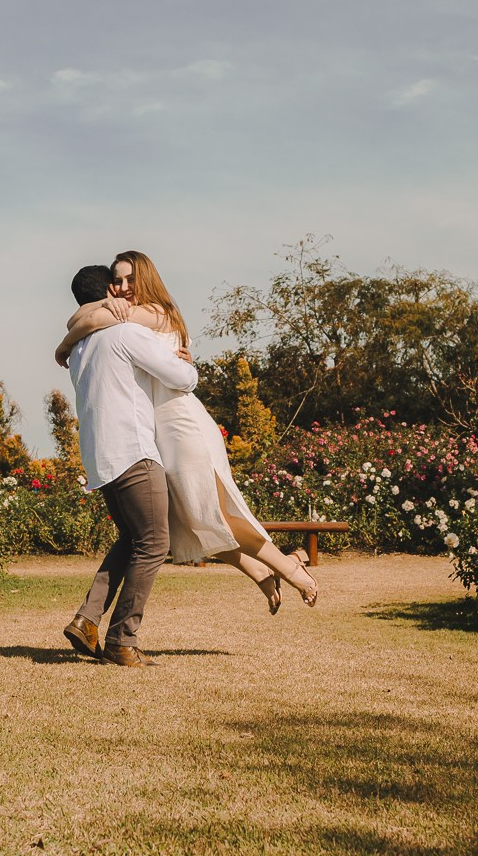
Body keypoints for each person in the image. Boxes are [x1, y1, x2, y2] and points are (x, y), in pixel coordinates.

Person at [56, 251, 317, 608]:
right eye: (116, 281)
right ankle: (260, 572)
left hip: (180, 422)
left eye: (130, 279)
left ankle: (291, 567)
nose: (122, 287)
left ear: (146, 278)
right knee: (188, 522)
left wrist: (65, 344)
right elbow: (85, 319)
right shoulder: (124, 316)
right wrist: (90, 316)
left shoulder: (152, 312)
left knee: (216, 513)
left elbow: (82, 321)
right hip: (156, 431)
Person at [60, 263, 200, 668]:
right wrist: (189, 363)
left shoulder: (78, 349)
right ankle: (122, 639)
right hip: (134, 451)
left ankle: (87, 619)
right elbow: (180, 377)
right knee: (155, 543)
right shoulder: (124, 332)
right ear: (108, 290)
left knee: (131, 539)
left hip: (100, 459)